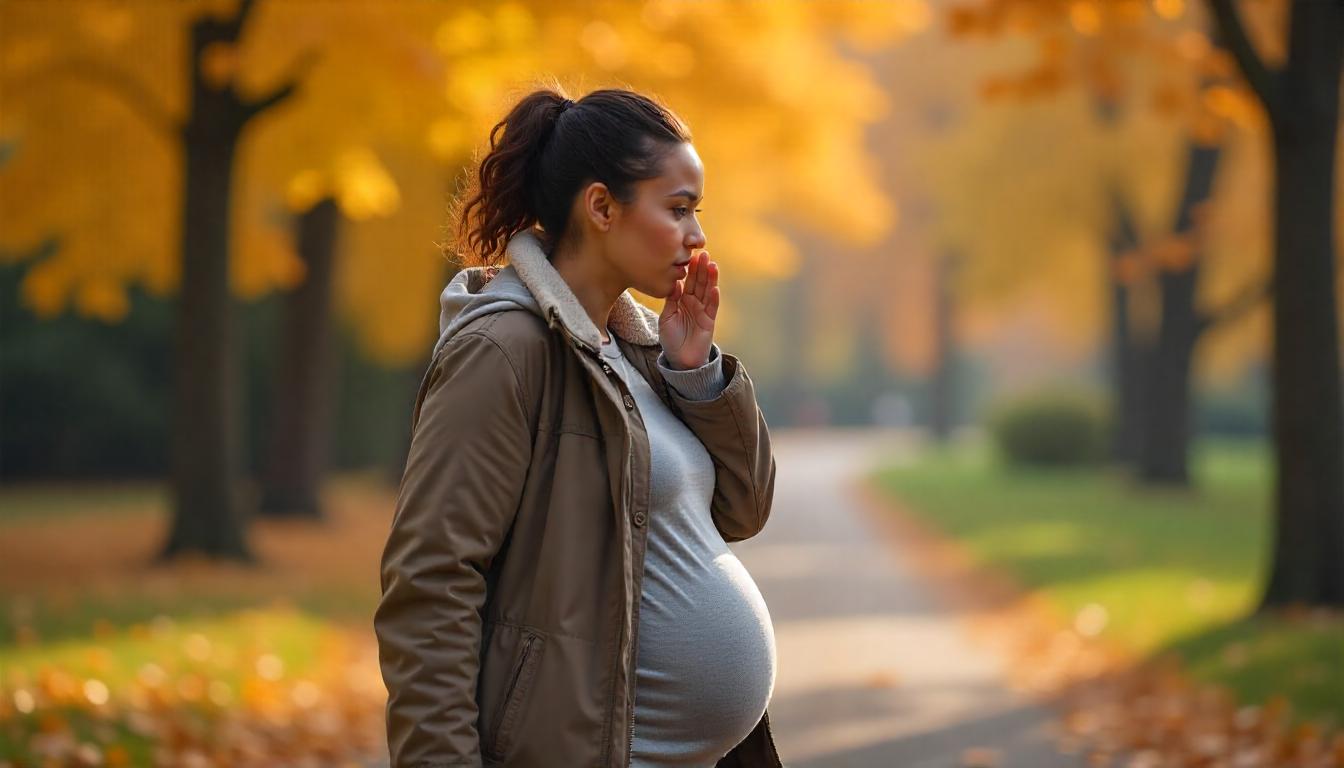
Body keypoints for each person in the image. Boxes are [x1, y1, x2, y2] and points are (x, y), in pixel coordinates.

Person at [374, 87, 782, 768]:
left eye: (696, 212)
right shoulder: (504, 350)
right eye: (678, 209)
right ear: (600, 207)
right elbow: (431, 587)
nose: (697, 235)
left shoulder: (638, 348)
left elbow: (744, 509)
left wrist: (695, 375)